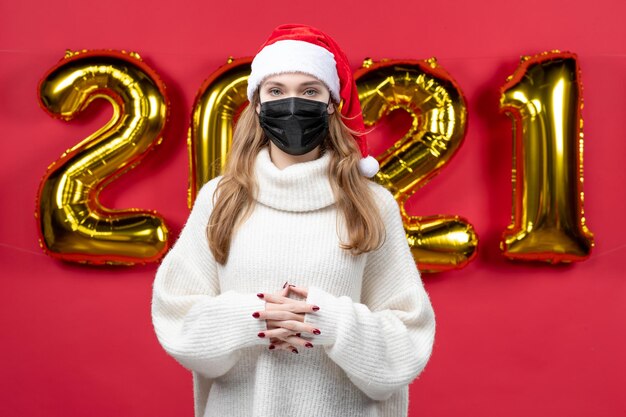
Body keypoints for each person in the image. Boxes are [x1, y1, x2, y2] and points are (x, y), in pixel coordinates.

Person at [151, 24, 436, 417]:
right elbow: (177, 319)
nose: (292, 104)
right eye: (276, 91)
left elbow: (406, 344)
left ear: (332, 103)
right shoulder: (221, 199)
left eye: (309, 91)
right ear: (257, 104)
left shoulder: (371, 204)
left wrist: (329, 323)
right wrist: (253, 318)